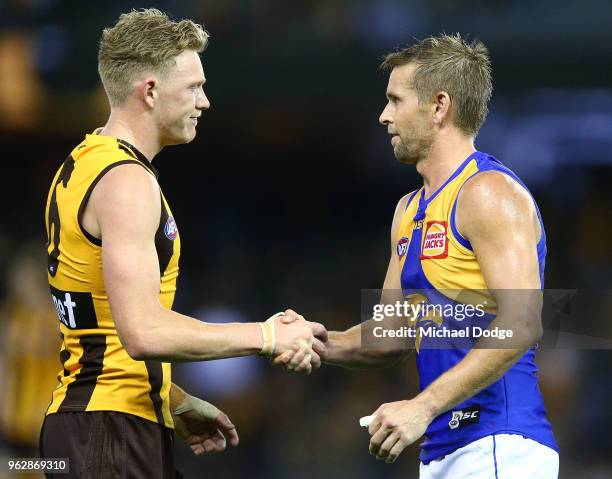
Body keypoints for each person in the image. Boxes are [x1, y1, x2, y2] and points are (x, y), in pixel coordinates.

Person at [40, 9, 325, 478]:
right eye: (193, 87)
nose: (205, 101)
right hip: (108, 436)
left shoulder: (84, 163)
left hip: (94, 428)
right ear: (150, 91)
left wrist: (170, 398)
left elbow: (97, 325)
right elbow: (142, 333)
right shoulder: (127, 182)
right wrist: (267, 336)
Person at [278, 34, 559, 478]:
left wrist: (421, 406)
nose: (383, 115)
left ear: (439, 105)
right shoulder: (408, 210)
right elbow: (391, 333)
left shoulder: (488, 192)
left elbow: (522, 323)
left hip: (499, 443)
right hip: (443, 448)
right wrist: (315, 341)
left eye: (395, 100)